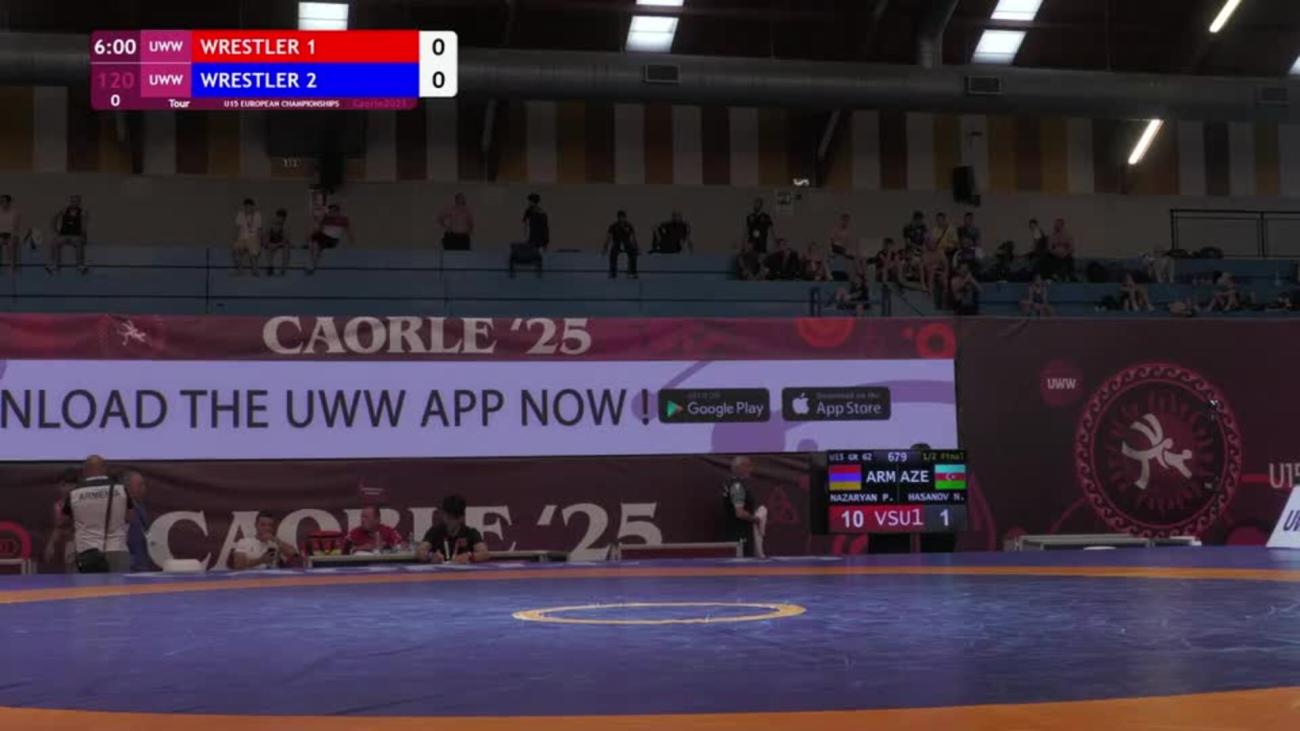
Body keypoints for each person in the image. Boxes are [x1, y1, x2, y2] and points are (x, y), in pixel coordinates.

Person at [62, 455, 132, 573]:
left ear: (85, 471)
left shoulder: (74, 493)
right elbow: (129, 516)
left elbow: (64, 519)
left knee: (88, 585)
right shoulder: (121, 490)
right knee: (118, 585)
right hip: (117, 548)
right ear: (105, 469)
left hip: (86, 552)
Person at [417, 494, 489, 564]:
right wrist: (431, 556)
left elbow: (484, 553)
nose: (449, 521)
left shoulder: (471, 533)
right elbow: (419, 551)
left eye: (453, 518)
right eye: (447, 517)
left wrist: (469, 557)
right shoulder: (435, 531)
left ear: (461, 518)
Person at [722, 456, 767, 558]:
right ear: (739, 467)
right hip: (740, 535)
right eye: (748, 466)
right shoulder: (737, 487)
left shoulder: (731, 484)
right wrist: (757, 519)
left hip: (736, 533)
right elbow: (740, 513)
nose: (750, 469)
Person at [42, 468, 81, 572]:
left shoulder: (82, 502)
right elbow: (58, 527)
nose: (67, 488)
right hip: (69, 544)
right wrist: (50, 544)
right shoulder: (58, 506)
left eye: (71, 484)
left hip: (85, 543)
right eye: (63, 485)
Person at [232, 511, 299, 570]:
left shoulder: (276, 542)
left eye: (270, 525)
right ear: (256, 525)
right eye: (263, 525)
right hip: (251, 578)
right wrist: (261, 560)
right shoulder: (244, 542)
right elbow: (238, 565)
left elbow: (294, 554)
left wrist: (275, 540)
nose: (267, 528)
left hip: (272, 577)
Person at [308, 202, 354, 274]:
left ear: (338, 212)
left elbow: (348, 230)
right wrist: (319, 219)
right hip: (324, 237)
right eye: (330, 212)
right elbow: (319, 229)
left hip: (332, 240)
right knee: (316, 243)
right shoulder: (326, 219)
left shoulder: (343, 219)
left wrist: (351, 239)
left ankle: (313, 263)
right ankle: (313, 264)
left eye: (333, 211)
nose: (331, 213)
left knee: (317, 242)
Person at [48, 194, 89, 274]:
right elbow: (54, 218)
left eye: (76, 201)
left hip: (76, 236)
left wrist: (84, 237)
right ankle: (55, 264)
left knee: (79, 243)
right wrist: (56, 230)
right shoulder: (64, 210)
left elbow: (84, 226)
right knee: (54, 242)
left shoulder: (82, 212)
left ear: (79, 203)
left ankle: (80, 265)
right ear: (70, 202)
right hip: (64, 235)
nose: (73, 203)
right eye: (72, 201)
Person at [123, 471, 153, 572]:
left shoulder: (141, 507)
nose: (143, 488)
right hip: (130, 563)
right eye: (140, 485)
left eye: (144, 485)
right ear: (127, 488)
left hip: (142, 561)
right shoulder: (122, 507)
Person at [603, 210, 639, 279]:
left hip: (627, 242)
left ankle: (632, 272)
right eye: (620, 217)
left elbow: (633, 238)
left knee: (633, 254)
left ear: (625, 217)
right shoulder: (613, 226)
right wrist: (605, 247)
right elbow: (608, 238)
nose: (622, 219)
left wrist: (636, 247)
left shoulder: (629, 225)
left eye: (623, 217)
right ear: (618, 218)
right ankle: (613, 272)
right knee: (613, 255)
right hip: (617, 242)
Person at [232, 198, 263, 276]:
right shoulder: (240, 214)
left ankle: (254, 271)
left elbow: (259, 229)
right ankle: (239, 270)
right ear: (244, 207)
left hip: (253, 237)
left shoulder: (257, 215)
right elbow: (238, 228)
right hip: (242, 237)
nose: (248, 208)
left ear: (252, 207)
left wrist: (260, 241)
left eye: (249, 206)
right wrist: (236, 240)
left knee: (253, 252)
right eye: (246, 207)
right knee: (235, 249)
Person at [263, 208, 291, 276]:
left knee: (286, 247)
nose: (280, 220)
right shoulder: (270, 224)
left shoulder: (285, 226)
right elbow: (266, 236)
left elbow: (285, 240)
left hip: (280, 242)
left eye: (282, 218)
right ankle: (270, 267)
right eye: (279, 218)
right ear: (276, 217)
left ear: (284, 219)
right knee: (269, 247)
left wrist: (277, 245)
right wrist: (267, 243)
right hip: (272, 241)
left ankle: (283, 268)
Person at [0, 194, 22, 274]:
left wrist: (10, 235)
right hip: (1, 235)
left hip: (11, 235)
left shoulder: (15, 213)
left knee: (11, 243)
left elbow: (15, 227)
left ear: (8, 202)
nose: (2, 203)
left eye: (4, 201)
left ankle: (12, 267)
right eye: (1, 201)